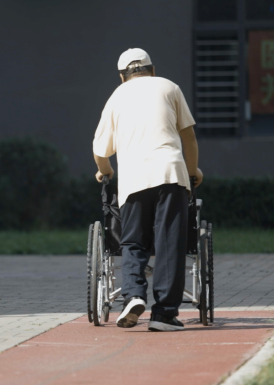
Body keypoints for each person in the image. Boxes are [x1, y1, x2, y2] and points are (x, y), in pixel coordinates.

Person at [92, 48, 203, 332]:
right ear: (152, 69)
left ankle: (133, 295)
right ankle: (164, 314)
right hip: (170, 173)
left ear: (121, 77)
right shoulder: (169, 87)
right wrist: (193, 172)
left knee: (133, 241)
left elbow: (100, 150)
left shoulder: (117, 97)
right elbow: (188, 137)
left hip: (134, 179)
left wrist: (106, 172)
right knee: (170, 243)